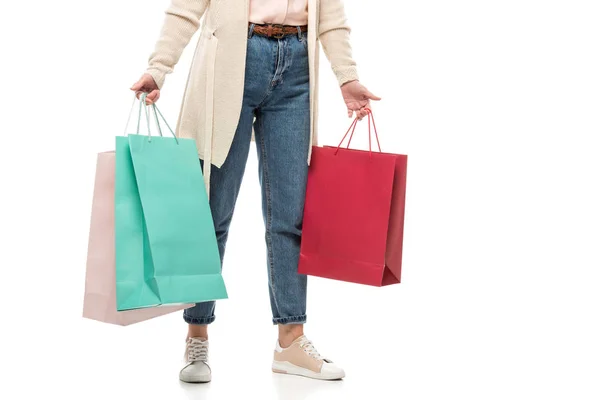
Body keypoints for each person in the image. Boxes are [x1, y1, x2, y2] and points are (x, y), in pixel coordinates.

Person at [131, 0, 379, 382]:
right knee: (211, 213)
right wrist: (158, 68)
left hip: (297, 64)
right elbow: (185, 7)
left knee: (290, 217)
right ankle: (197, 334)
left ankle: (290, 341)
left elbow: (330, 17)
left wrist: (347, 76)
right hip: (233, 58)